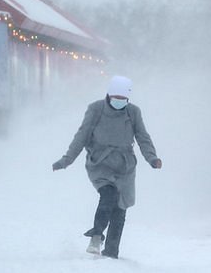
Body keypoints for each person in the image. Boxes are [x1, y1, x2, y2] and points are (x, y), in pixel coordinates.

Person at [52, 75, 162, 259]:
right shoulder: (95, 109)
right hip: (100, 163)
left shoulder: (133, 112)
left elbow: (143, 137)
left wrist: (152, 158)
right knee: (108, 194)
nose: (119, 102)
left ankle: (112, 252)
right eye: (116, 98)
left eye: (123, 99)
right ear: (109, 95)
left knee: (120, 208)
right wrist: (66, 160)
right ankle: (96, 235)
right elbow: (81, 136)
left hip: (125, 166)